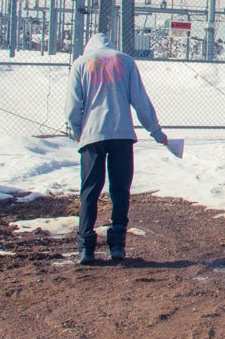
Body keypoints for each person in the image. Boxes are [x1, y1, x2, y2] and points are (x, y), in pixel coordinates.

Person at [66, 32, 167, 265]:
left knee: (90, 191)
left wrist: (78, 132)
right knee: (120, 190)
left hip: (92, 136)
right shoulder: (126, 62)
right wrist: (156, 132)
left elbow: (73, 105)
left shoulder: (81, 64)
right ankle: (117, 245)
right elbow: (140, 101)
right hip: (122, 134)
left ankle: (86, 248)